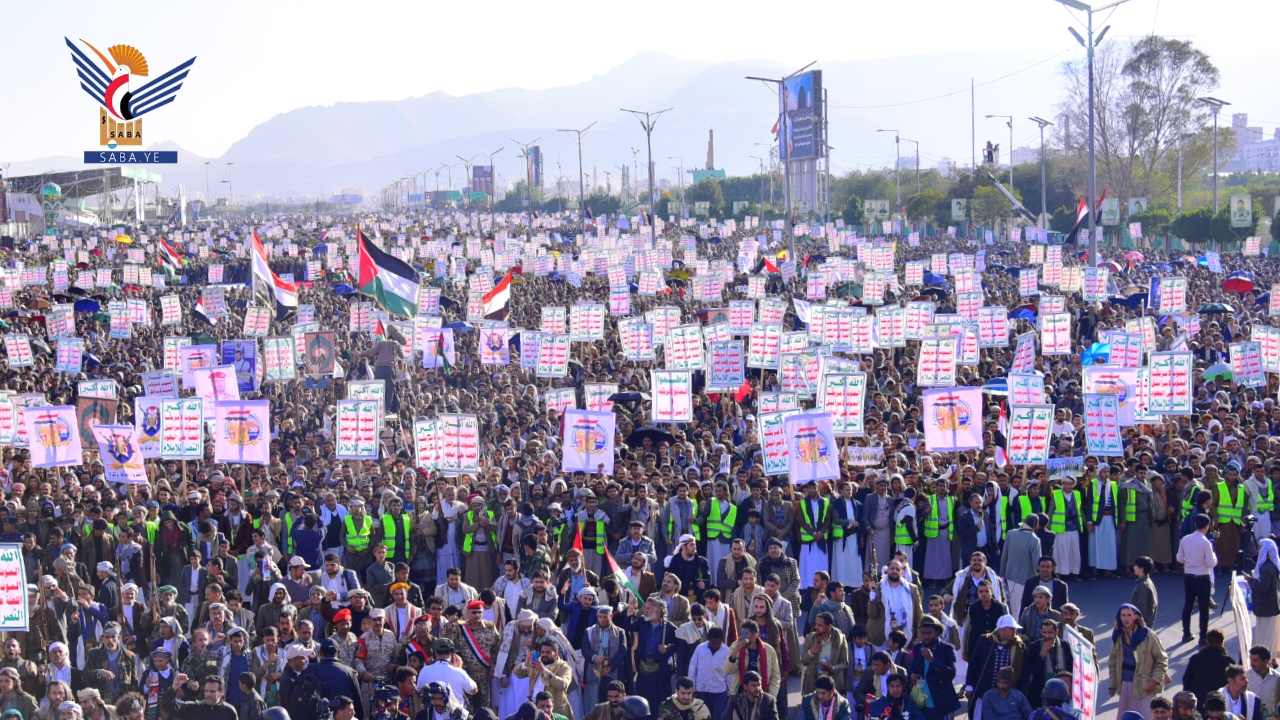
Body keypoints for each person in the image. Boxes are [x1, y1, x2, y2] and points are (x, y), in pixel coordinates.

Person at [1108, 604, 1169, 717]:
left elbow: (1162, 659)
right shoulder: (1118, 635)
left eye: (1129, 615)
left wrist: (1155, 679)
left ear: (1136, 616)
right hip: (1125, 684)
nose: (1126, 619)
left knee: (1144, 715)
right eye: (1123, 615)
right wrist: (1112, 684)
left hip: (1145, 685)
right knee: (1126, 716)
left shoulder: (1148, 635)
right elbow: (1113, 662)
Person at [908, 616, 960, 720]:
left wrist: (932, 659)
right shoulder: (918, 647)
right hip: (921, 700)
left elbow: (951, 673)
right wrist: (912, 675)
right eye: (923, 634)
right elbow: (913, 667)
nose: (926, 637)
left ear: (937, 632)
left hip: (939, 701)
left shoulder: (947, 649)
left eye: (929, 633)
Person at [1178, 515, 1217, 644]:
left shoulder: (1185, 539)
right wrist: (1214, 558)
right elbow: (1211, 563)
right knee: (1203, 608)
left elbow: (1179, 558)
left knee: (1188, 604)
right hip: (1202, 577)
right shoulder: (1205, 542)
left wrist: (1188, 561)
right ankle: (1203, 637)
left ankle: (1186, 633)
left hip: (1188, 575)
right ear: (1207, 526)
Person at [1185, 631, 1236, 714]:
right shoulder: (1228, 661)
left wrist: (1187, 702)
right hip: (1220, 707)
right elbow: (1235, 682)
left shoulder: (1195, 659)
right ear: (1222, 642)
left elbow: (1187, 681)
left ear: (1207, 641)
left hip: (1198, 705)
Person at [160, 674, 238, 720]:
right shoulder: (195, 708)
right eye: (206, 691)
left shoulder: (229, 712)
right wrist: (175, 686)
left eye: (212, 691)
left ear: (222, 693)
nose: (208, 694)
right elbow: (167, 706)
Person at [1251, 539, 1280, 652]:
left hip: (1266, 607)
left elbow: (1263, 587)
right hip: (1272, 606)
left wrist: (1250, 580)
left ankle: (1265, 660)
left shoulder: (1266, 568)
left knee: (1264, 637)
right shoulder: (1274, 565)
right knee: (1270, 636)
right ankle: (1271, 658)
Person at [1247, 646, 1280, 718]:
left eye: (1255, 660)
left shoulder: (1277, 678)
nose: (1251, 663)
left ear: (1265, 661)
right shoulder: (1246, 677)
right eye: (1251, 659)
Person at [1130, 556, 1159, 628]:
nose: (1134, 567)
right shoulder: (1144, 581)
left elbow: (1142, 607)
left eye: (1136, 566)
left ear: (1142, 569)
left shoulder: (1144, 586)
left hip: (1143, 624)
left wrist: (1135, 620)